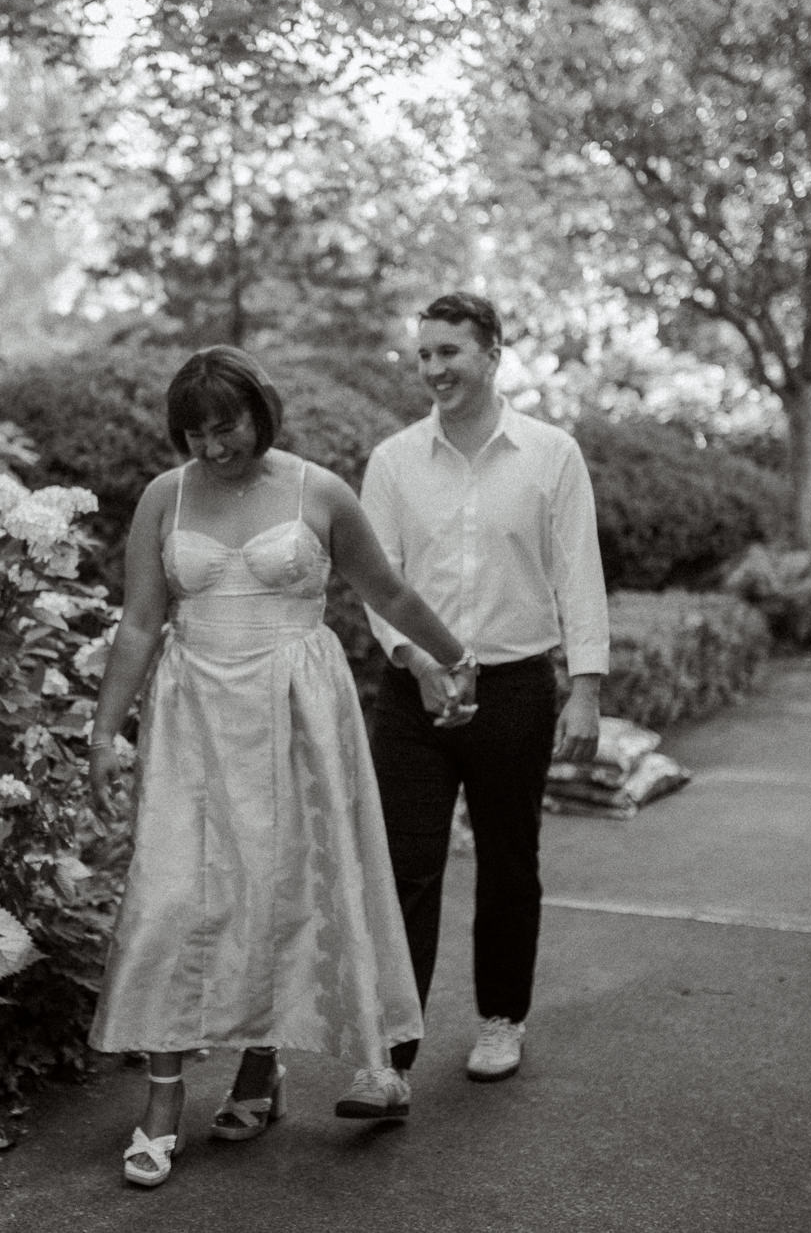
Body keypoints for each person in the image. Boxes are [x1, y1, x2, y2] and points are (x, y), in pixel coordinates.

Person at [86, 346, 476, 1187]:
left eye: (226, 425)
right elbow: (139, 624)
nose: (212, 446)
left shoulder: (320, 491)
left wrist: (455, 657)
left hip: (297, 707)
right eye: (194, 431)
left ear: (262, 410)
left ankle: (260, 1068)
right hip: (193, 712)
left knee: (281, 886)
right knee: (174, 898)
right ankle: (161, 1102)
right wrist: (103, 732)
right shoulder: (167, 495)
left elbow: (393, 594)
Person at [340, 291, 609, 1119]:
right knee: (405, 869)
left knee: (507, 860)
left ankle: (501, 1019)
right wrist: (415, 661)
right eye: (423, 354)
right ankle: (391, 1056)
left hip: (514, 686)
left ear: (492, 353)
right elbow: (374, 581)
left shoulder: (550, 454)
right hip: (413, 689)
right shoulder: (392, 461)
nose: (433, 369)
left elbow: (577, 569)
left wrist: (587, 690)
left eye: (448, 351)